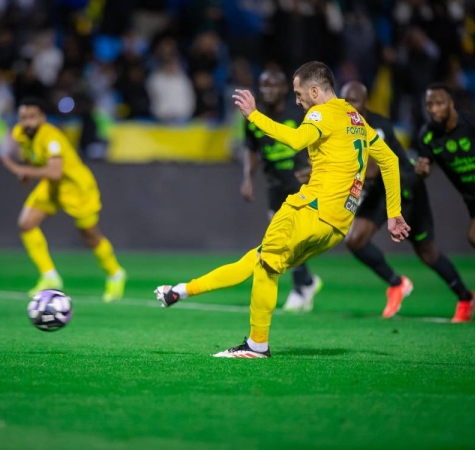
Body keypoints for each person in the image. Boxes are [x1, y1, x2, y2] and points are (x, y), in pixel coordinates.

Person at [155, 61, 410, 358]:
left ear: (315, 91)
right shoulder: (354, 117)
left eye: (300, 94)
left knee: (265, 266)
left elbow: (296, 139)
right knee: (258, 259)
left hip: (309, 209)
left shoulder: (320, 112)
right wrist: (394, 213)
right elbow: (390, 161)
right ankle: (181, 291)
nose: (298, 101)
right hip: (336, 226)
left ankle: (256, 346)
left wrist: (254, 116)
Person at [341, 81, 475, 322]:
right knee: (355, 239)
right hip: (381, 194)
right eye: (345, 102)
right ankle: (397, 284)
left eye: (355, 101)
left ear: (366, 103)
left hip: (407, 190)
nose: (350, 107)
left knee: (428, 253)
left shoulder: (376, 127)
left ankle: (465, 297)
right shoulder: (344, 126)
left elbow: (371, 168)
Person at [0, 98, 126, 300]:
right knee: (27, 224)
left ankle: (115, 274)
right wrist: (25, 171)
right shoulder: (21, 134)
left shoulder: (52, 138)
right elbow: (30, 154)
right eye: (23, 118)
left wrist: (21, 170)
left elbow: (56, 171)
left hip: (76, 188)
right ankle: (50, 276)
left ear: (42, 118)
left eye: (32, 117)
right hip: (52, 187)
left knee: (90, 235)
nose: (27, 122)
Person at [240, 69, 321, 312]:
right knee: (283, 238)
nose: (268, 90)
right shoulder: (254, 117)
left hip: (300, 182)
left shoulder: (298, 112)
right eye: (264, 85)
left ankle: (301, 286)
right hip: (275, 184)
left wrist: (313, 167)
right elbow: (251, 149)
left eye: (274, 85)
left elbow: (317, 140)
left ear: (285, 89)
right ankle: (306, 281)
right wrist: (247, 179)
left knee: (291, 237)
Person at [415, 83, 475, 321]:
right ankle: (466, 298)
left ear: (451, 103)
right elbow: (426, 164)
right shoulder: (427, 136)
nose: (434, 109)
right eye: (429, 104)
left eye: (439, 103)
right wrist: (423, 170)